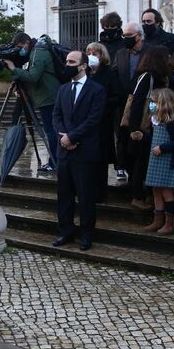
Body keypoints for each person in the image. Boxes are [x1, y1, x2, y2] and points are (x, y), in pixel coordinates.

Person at [50, 51, 106, 250]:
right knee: (64, 195)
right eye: (66, 61)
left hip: (85, 151)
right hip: (64, 150)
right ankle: (65, 230)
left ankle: (86, 234)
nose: (67, 65)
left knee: (85, 196)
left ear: (83, 66)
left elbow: (94, 119)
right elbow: (56, 116)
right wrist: (63, 136)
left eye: (71, 62)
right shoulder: (63, 89)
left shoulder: (97, 90)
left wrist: (72, 137)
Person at [126, 46, 174, 211]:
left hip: (155, 124)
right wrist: (134, 128)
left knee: (147, 160)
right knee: (140, 160)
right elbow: (137, 102)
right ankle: (137, 195)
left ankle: (146, 194)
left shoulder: (163, 77)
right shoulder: (147, 77)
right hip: (143, 125)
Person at [5, 32, 60, 172]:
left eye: (20, 47)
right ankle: (55, 161)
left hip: (48, 97)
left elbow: (33, 76)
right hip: (47, 96)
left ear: (27, 43)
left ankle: (55, 162)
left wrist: (13, 69)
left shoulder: (38, 52)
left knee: (51, 131)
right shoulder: (37, 51)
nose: (20, 51)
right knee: (51, 130)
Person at [143, 88, 174, 234]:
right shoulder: (155, 121)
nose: (152, 105)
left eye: (154, 102)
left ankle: (170, 223)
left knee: (166, 191)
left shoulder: (172, 122)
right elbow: (153, 138)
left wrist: (163, 147)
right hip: (156, 160)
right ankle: (157, 219)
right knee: (156, 190)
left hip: (167, 160)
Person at [113, 22, 148, 186]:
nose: (125, 39)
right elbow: (115, 72)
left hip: (143, 104)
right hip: (123, 103)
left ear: (139, 36)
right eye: (124, 36)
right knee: (123, 138)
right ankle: (124, 167)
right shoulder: (120, 53)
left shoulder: (150, 52)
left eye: (128, 36)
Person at [86, 42, 120, 202]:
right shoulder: (84, 73)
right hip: (85, 122)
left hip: (102, 122)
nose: (92, 55)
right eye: (89, 52)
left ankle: (100, 192)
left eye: (95, 53)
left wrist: (100, 106)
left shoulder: (109, 73)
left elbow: (116, 96)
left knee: (101, 158)